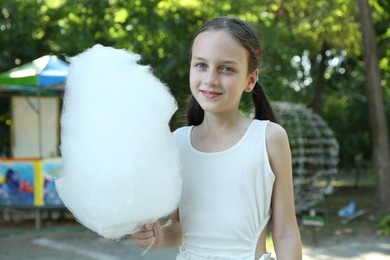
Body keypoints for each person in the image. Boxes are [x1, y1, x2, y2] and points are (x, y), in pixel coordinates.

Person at [132, 16, 302, 260]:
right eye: (201, 65)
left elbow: (286, 233)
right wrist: (156, 237)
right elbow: (181, 227)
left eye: (226, 69)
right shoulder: (176, 143)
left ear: (250, 80)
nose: (210, 79)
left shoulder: (269, 138)